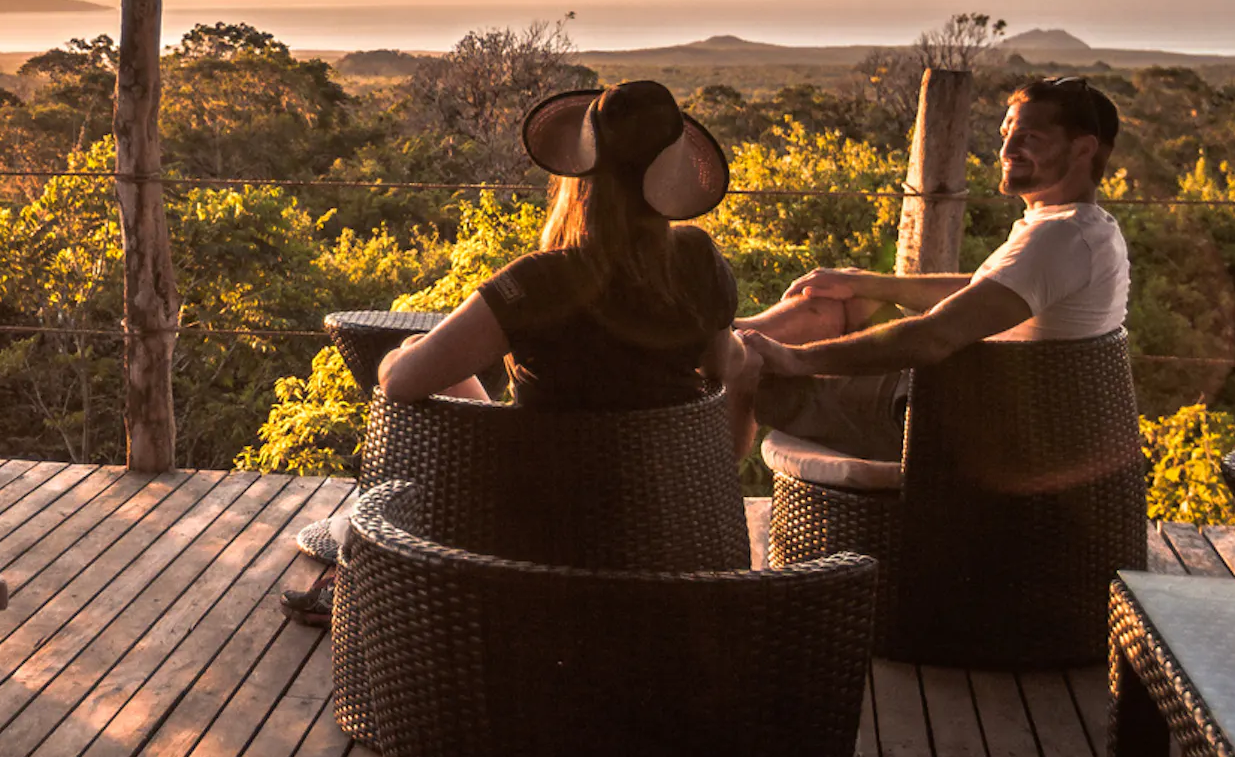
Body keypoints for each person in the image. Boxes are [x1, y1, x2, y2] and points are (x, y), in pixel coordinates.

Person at [285, 79, 740, 625]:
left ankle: (364, 568)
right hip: (660, 520)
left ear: (583, 176)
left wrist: (390, 360)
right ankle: (357, 550)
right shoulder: (696, 261)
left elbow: (403, 383)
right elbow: (724, 369)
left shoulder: (542, 281)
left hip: (534, 530)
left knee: (410, 362)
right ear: (667, 178)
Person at [729, 76, 1129, 461]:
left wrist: (798, 360)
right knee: (839, 302)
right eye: (1006, 133)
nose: (1007, 150)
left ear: (1082, 150)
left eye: (1031, 138)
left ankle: (710, 505)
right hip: (969, 399)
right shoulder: (1077, 228)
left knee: (747, 368)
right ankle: (729, 332)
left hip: (948, 426)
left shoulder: (1061, 239)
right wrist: (865, 283)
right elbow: (984, 290)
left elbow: (935, 337)